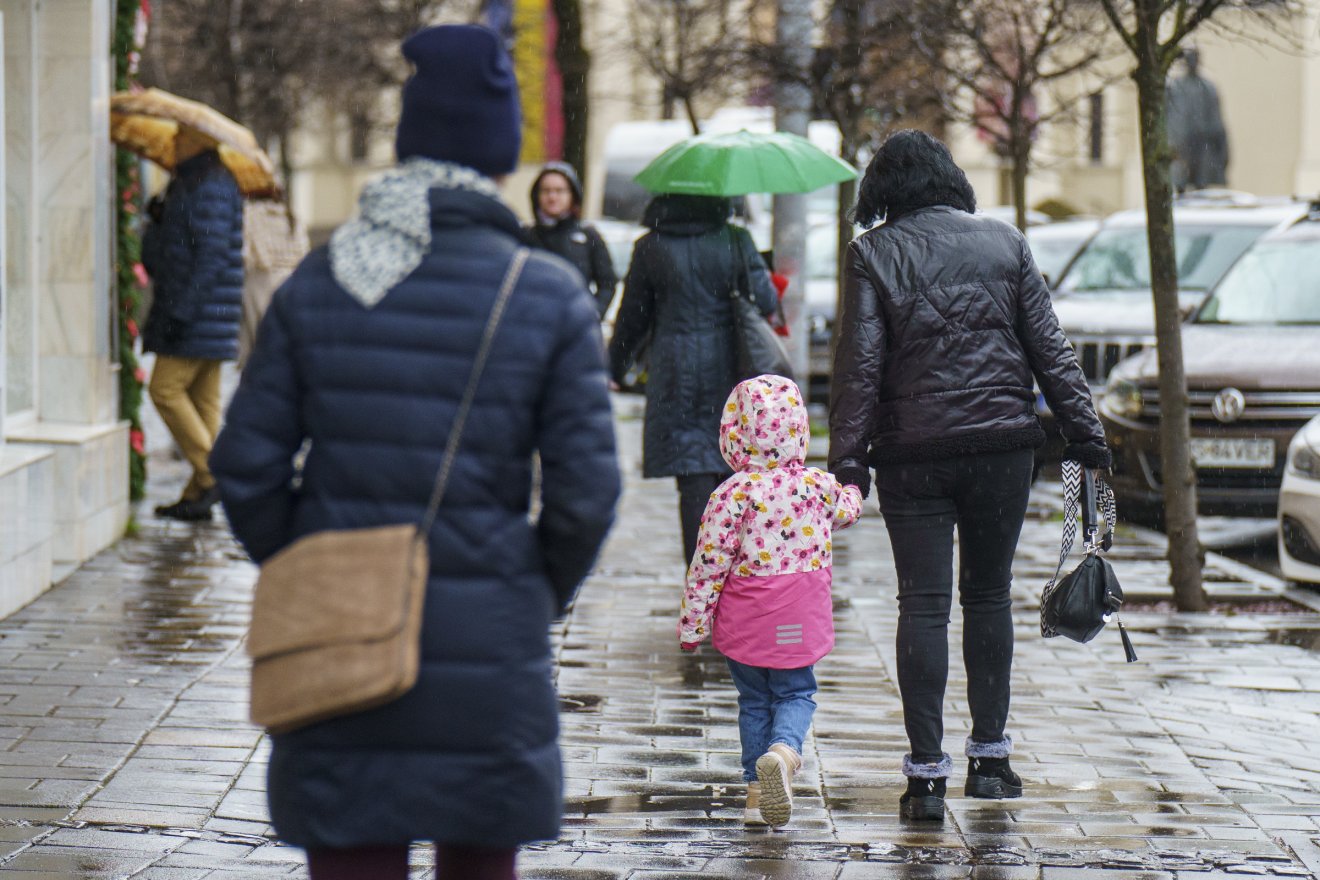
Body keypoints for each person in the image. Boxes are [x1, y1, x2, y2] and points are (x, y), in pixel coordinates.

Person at [209, 24, 619, 880]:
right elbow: (586, 492)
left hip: (337, 647)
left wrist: (310, 564)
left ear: (408, 144)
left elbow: (244, 465)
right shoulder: (543, 294)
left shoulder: (323, 279)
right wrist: (529, 588)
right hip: (491, 651)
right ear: (501, 159)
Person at [828, 130, 1109, 822]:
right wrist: (1087, 436)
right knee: (988, 598)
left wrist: (848, 463)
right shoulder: (1004, 242)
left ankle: (925, 779)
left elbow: (858, 367)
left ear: (882, 193)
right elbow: (1051, 349)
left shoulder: (871, 254)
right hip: (1000, 450)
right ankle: (990, 761)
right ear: (950, 179)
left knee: (921, 605)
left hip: (912, 456)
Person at [679, 375, 862, 828]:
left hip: (747, 617)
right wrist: (855, 486)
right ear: (798, 429)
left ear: (734, 434)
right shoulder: (817, 486)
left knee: (753, 700)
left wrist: (693, 625)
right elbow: (848, 509)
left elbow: (707, 564)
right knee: (796, 690)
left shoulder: (730, 494)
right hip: (798, 612)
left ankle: (757, 796)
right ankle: (784, 752)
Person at [608, 194, 779, 565]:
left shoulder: (651, 246)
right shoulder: (734, 239)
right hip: (729, 368)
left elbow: (633, 316)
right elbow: (765, 300)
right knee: (731, 468)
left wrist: (615, 367)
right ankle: (735, 576)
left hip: (674, 372)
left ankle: (700, 575)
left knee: (691, 472)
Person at [141, 127, 244, 521]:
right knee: (203, 405)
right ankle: (198, 493)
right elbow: (162, 257)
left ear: (200, 144)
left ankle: (214, 475)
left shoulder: (212, 185)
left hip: (197, 314)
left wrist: (183, 309)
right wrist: (159, 219)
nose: (175, 142)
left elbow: (213, 256)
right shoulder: (189, 183)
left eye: (183, 137)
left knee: (164, 389)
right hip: (199, 313)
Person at [526, 161, 619, 317]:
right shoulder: (526, 236)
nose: (552, 197)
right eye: (546, 190)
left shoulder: (588, 236)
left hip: (574, 322)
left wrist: (593, 313)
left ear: (572, 195)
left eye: (559, 190)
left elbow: (607, 283)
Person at [237, 198, 309, 369]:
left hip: (260, 281)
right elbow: (303, 249)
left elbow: (249, 253)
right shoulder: (291, 215)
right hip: (289, 279)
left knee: (259, 341)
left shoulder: (251, 213)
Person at [1166, 49, 1229, 193]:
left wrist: (1220, 145)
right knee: (1180, 178)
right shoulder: (1175, 87)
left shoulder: (1208, 88)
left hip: (1203, 141)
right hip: (1182, 142)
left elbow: (1215, 118)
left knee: (1202, 180)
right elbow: (1170, 118)